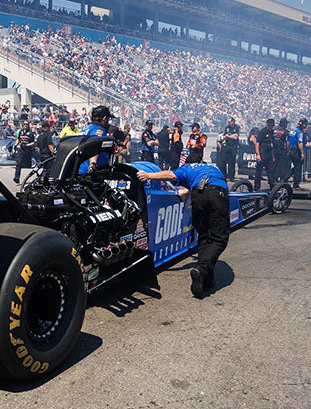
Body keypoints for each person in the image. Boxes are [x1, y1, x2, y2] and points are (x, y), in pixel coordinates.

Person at [136, 162, 229, 298]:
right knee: (219, 238)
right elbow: (212, 183)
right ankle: (201, 270)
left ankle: (206, 280)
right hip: (218, 193)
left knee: (203, 236)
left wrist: (148, 175)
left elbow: (171, 175)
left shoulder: (187, 168)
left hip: (199, 194)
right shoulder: (214, 168)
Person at [78, 106, 113, 174]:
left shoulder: (85, 129)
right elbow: (94, 148)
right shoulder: (99, 130)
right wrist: (92, 165)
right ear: (104, 118)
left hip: (79, 169)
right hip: (88, 172)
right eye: (108, 119)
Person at [254, 118, 277, 191]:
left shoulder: (272, 132)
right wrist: (257, 154)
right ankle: (257, 187)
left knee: (270, 171)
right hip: (262, 153)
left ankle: (272, 186)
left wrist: (273, 155)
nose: (271, 127)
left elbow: (272, 143)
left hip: (269, 154)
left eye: (272, 126)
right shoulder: (262, 132)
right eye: (270, 126)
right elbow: (257, 143)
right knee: (258, 172)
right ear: (267, 125)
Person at [13, 119, 36, 184]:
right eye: (24, 124)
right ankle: (16, 178)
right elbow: (18, 139)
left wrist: (27, 145)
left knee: (28, 165)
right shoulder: (21, 131)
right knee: (18, 164)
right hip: (21, 150)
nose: (25, 125)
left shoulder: (31, 133)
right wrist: (15, 145)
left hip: (28, 150)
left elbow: (33, 142)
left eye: (27, 124)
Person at [288, 119, 306, 188]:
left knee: (295, 167)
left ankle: (284, 179)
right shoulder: (300, 132)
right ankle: (296, 185)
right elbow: (300, 142)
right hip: (296, 151)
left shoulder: (292, 131)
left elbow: (288, 142)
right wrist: (302, 153)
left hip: (291, 150)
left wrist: (288, 150)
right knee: (298, 168)